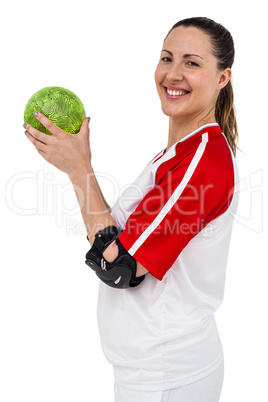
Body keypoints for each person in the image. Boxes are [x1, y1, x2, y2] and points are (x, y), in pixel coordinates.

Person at [24, 16, 239, 402]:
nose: (173, 74)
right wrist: (80, 165)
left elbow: (120, 267)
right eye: (166, 58)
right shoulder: (176, 156)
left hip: (167, 377)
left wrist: (79, 168)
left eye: (192, 62)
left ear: (223, 78)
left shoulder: (200, 164)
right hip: (149, 373)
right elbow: (120, 239)